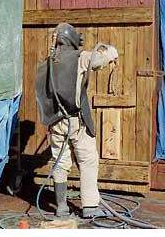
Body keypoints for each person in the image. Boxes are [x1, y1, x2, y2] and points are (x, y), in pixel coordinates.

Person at [35, 23, 119, 218]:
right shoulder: (79, 58)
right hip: (76, 121)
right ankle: (90, 206)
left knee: (59, 162)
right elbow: (103, 57)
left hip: (56, 121)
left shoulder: (46, 63)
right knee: (88, 160)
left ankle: (61, 207)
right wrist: (112, 51)